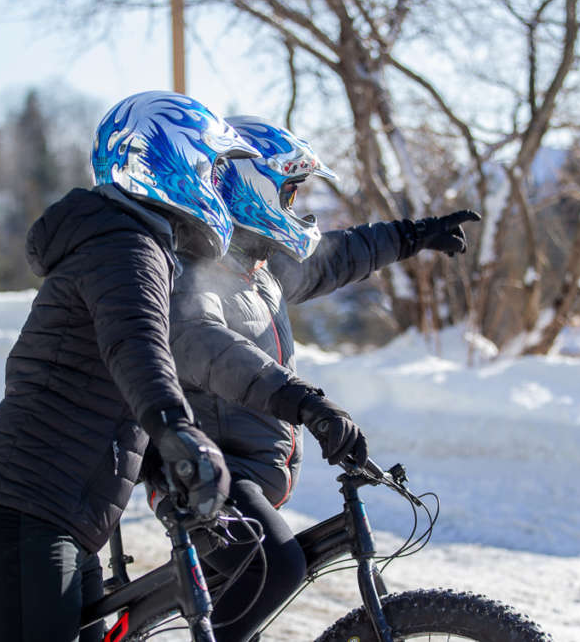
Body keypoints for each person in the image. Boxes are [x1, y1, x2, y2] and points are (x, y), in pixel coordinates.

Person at [157, 116, 480, 642]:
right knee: (277, 568)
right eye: (287, 192)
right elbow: (208, 348)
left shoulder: (257, 270)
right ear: (249, 188)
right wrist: (304, 403)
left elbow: (335, 258)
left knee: (238, 615)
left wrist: (410, 236)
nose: (294, 206)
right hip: (206, 473)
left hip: (251, 472)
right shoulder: (194, 276)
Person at [0, 91, 260, 642]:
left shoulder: (135, 242)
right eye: (210, 168)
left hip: (65, 512)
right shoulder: (124, 247)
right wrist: (177, 428)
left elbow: (105, 385)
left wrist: (159, 458)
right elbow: (135, 347)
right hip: (28, 505)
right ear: (172, 160)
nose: (217, 186)